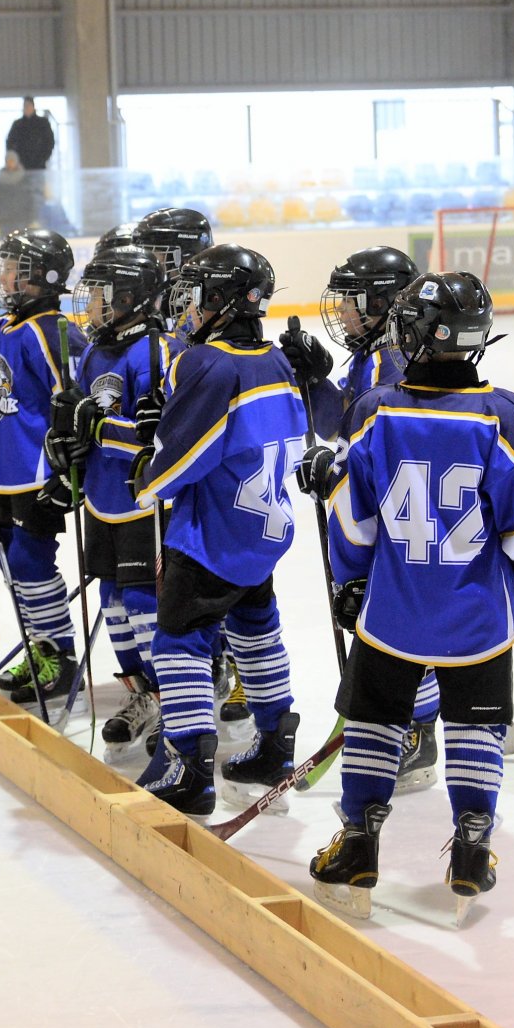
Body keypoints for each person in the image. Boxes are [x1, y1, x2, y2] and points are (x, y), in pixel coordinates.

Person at [308, 271, 514, 924]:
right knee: (475, 725)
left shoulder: (376, 412)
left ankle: (357, 844)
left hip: (392, 612)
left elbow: (354, 522)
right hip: (478, 617)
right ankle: (473, 847)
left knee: (375, 720)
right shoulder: (506, 418)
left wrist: (351, 580)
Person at [127, 245, 308, 818]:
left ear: (225, 301)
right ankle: (274, 746)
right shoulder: (275, 360)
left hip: (213, 534)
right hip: (263, 528)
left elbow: (183, 460)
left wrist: (147, 468)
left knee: (178, 640)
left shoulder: (207, 362)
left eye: (198, 295)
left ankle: (187, 767)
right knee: (256, 628)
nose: (188, 307)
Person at [285, 245, 440, 793]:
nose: (344, 312)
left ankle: (417, 731)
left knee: (399, 623)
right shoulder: (376, 353)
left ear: (383, 303)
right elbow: (346, 424)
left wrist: (335, 471)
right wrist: (316, 383)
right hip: (390, 510)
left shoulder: (393, 358)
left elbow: (377, 442)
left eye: (353, 301)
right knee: (385, 622)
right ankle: (404, 724)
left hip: (397, 516)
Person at [46, 238, 178, 761]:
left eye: (101, 293)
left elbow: (158, 438)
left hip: (143, 500)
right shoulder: (94, 350)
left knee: (145, 603)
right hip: (101, 497)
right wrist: (64, 446)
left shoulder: (155, 350)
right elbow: (78, 420)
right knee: (112, 601)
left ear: (130, 297)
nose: (92, 302)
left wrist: (96, 427)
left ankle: (171, 700)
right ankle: (141, 694)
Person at [0, 229, 86, 707]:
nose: (4, 278)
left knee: (29, 561)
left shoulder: (52, 330)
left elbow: (74, 401)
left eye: (14, 270)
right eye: (4, 268)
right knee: (10, 562)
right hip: (3, 470)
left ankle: (60, 656)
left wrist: (69, 469)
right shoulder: (0, 328)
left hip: (38, 470)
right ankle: (40, 646)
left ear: (45, 277)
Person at [0, 152, 37, 234]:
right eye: (8, 161)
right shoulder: (0, 180)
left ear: (16, 162)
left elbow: (30, 199)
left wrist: (30, 218)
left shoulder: (24, 179)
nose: (10, 164)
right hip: (4, 221)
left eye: (12, 161)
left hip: (21, 220)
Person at [5, 96, 55, 172]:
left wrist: (44, 158)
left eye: (29, 105)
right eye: (25, 106)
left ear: (33, 107)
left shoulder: (43, 123)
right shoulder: (17, 125)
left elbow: (49, 142)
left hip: (39, 165)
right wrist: (15, 160)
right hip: (21, 166)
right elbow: (10, 143)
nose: (27, 108)